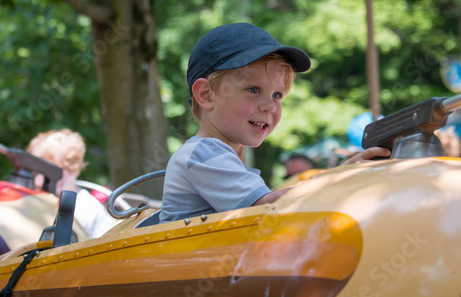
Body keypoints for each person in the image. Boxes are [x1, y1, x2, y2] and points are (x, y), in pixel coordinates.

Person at [159, 23, 390, 223]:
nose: (269, 106)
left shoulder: (222, 159)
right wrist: (340, 176)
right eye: (253, 89)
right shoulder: (203, 153)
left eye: (277, 95)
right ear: (207, 95)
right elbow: (268, 207)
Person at [27, 129, 118, 238]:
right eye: (35, 173)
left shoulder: (87, 208)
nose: (38, 182)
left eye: (45, 173)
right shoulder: (35, 202)